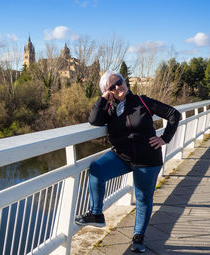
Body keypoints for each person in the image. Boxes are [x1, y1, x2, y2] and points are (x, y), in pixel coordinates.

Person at [75, 70, 180, 253]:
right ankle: (97, 214)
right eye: (112, 86)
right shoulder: (109, 109)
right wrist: (102, 99)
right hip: (122, 157)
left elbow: (173, 114)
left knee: (143, 198)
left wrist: (164, 138)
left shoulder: (142, 101)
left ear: (125, 82)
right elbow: (93, 120)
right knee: (96, 170)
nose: (118, 87)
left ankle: (138, 239)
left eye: (119, 82)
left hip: (147, 159)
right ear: (108, 91)